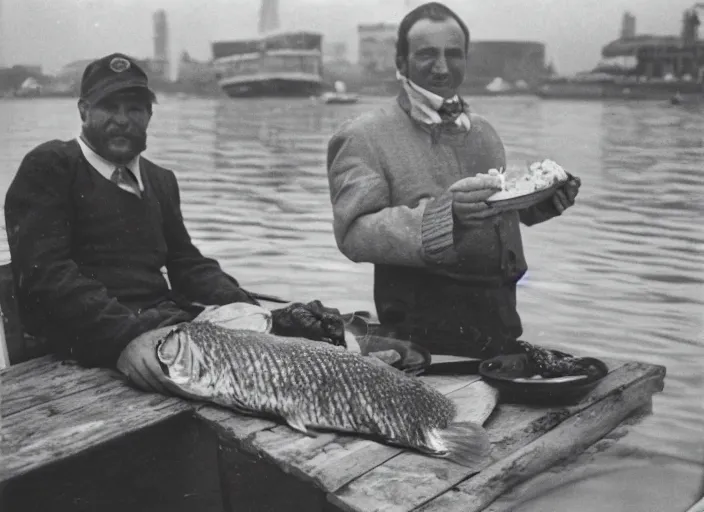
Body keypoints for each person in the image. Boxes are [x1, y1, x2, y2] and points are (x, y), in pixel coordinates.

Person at [5, 53, 344, 392]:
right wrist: (130, 332)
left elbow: (188, 264)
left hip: (162, 329)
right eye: (109, 107)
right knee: (267, 382)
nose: (122, 119)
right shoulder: (51, 166)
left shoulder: (159, 179)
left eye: (135, 108)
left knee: (305, 348)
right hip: (91, 341)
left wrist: (256, 314)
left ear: (150, 115)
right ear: (83, 110)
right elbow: (47, 276)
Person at [326, 3, 581, 358]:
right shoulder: (362, 136)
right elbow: (353, 234)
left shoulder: (484, 132)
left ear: (466, 59)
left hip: (501, 326)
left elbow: (496, 210)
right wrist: (444, 217)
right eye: (427, 54)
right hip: (418, 342)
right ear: (401, 62)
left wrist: (539, 203)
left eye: (453, 54)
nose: (442, 67)